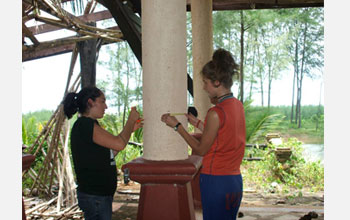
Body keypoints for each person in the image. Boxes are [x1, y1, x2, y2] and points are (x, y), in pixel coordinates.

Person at [161, 48, 246, 220]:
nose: (203, 86)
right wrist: (197, 123)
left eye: (205, 82)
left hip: (216, 182)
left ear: (216, 82)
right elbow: (223, 134)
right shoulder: (237, 106)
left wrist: (177, 126)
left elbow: (200, 149)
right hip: (234, 182)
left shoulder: (215, 113)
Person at [63, 86, 142, 220]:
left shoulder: (89, 125)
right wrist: (130, 121)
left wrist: (130, 130)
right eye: (102, 101)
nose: (106, 106)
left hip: (98, 196)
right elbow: (120, 144)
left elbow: (111, 152)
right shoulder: (85, 125)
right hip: (95, 197)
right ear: (90, 102)